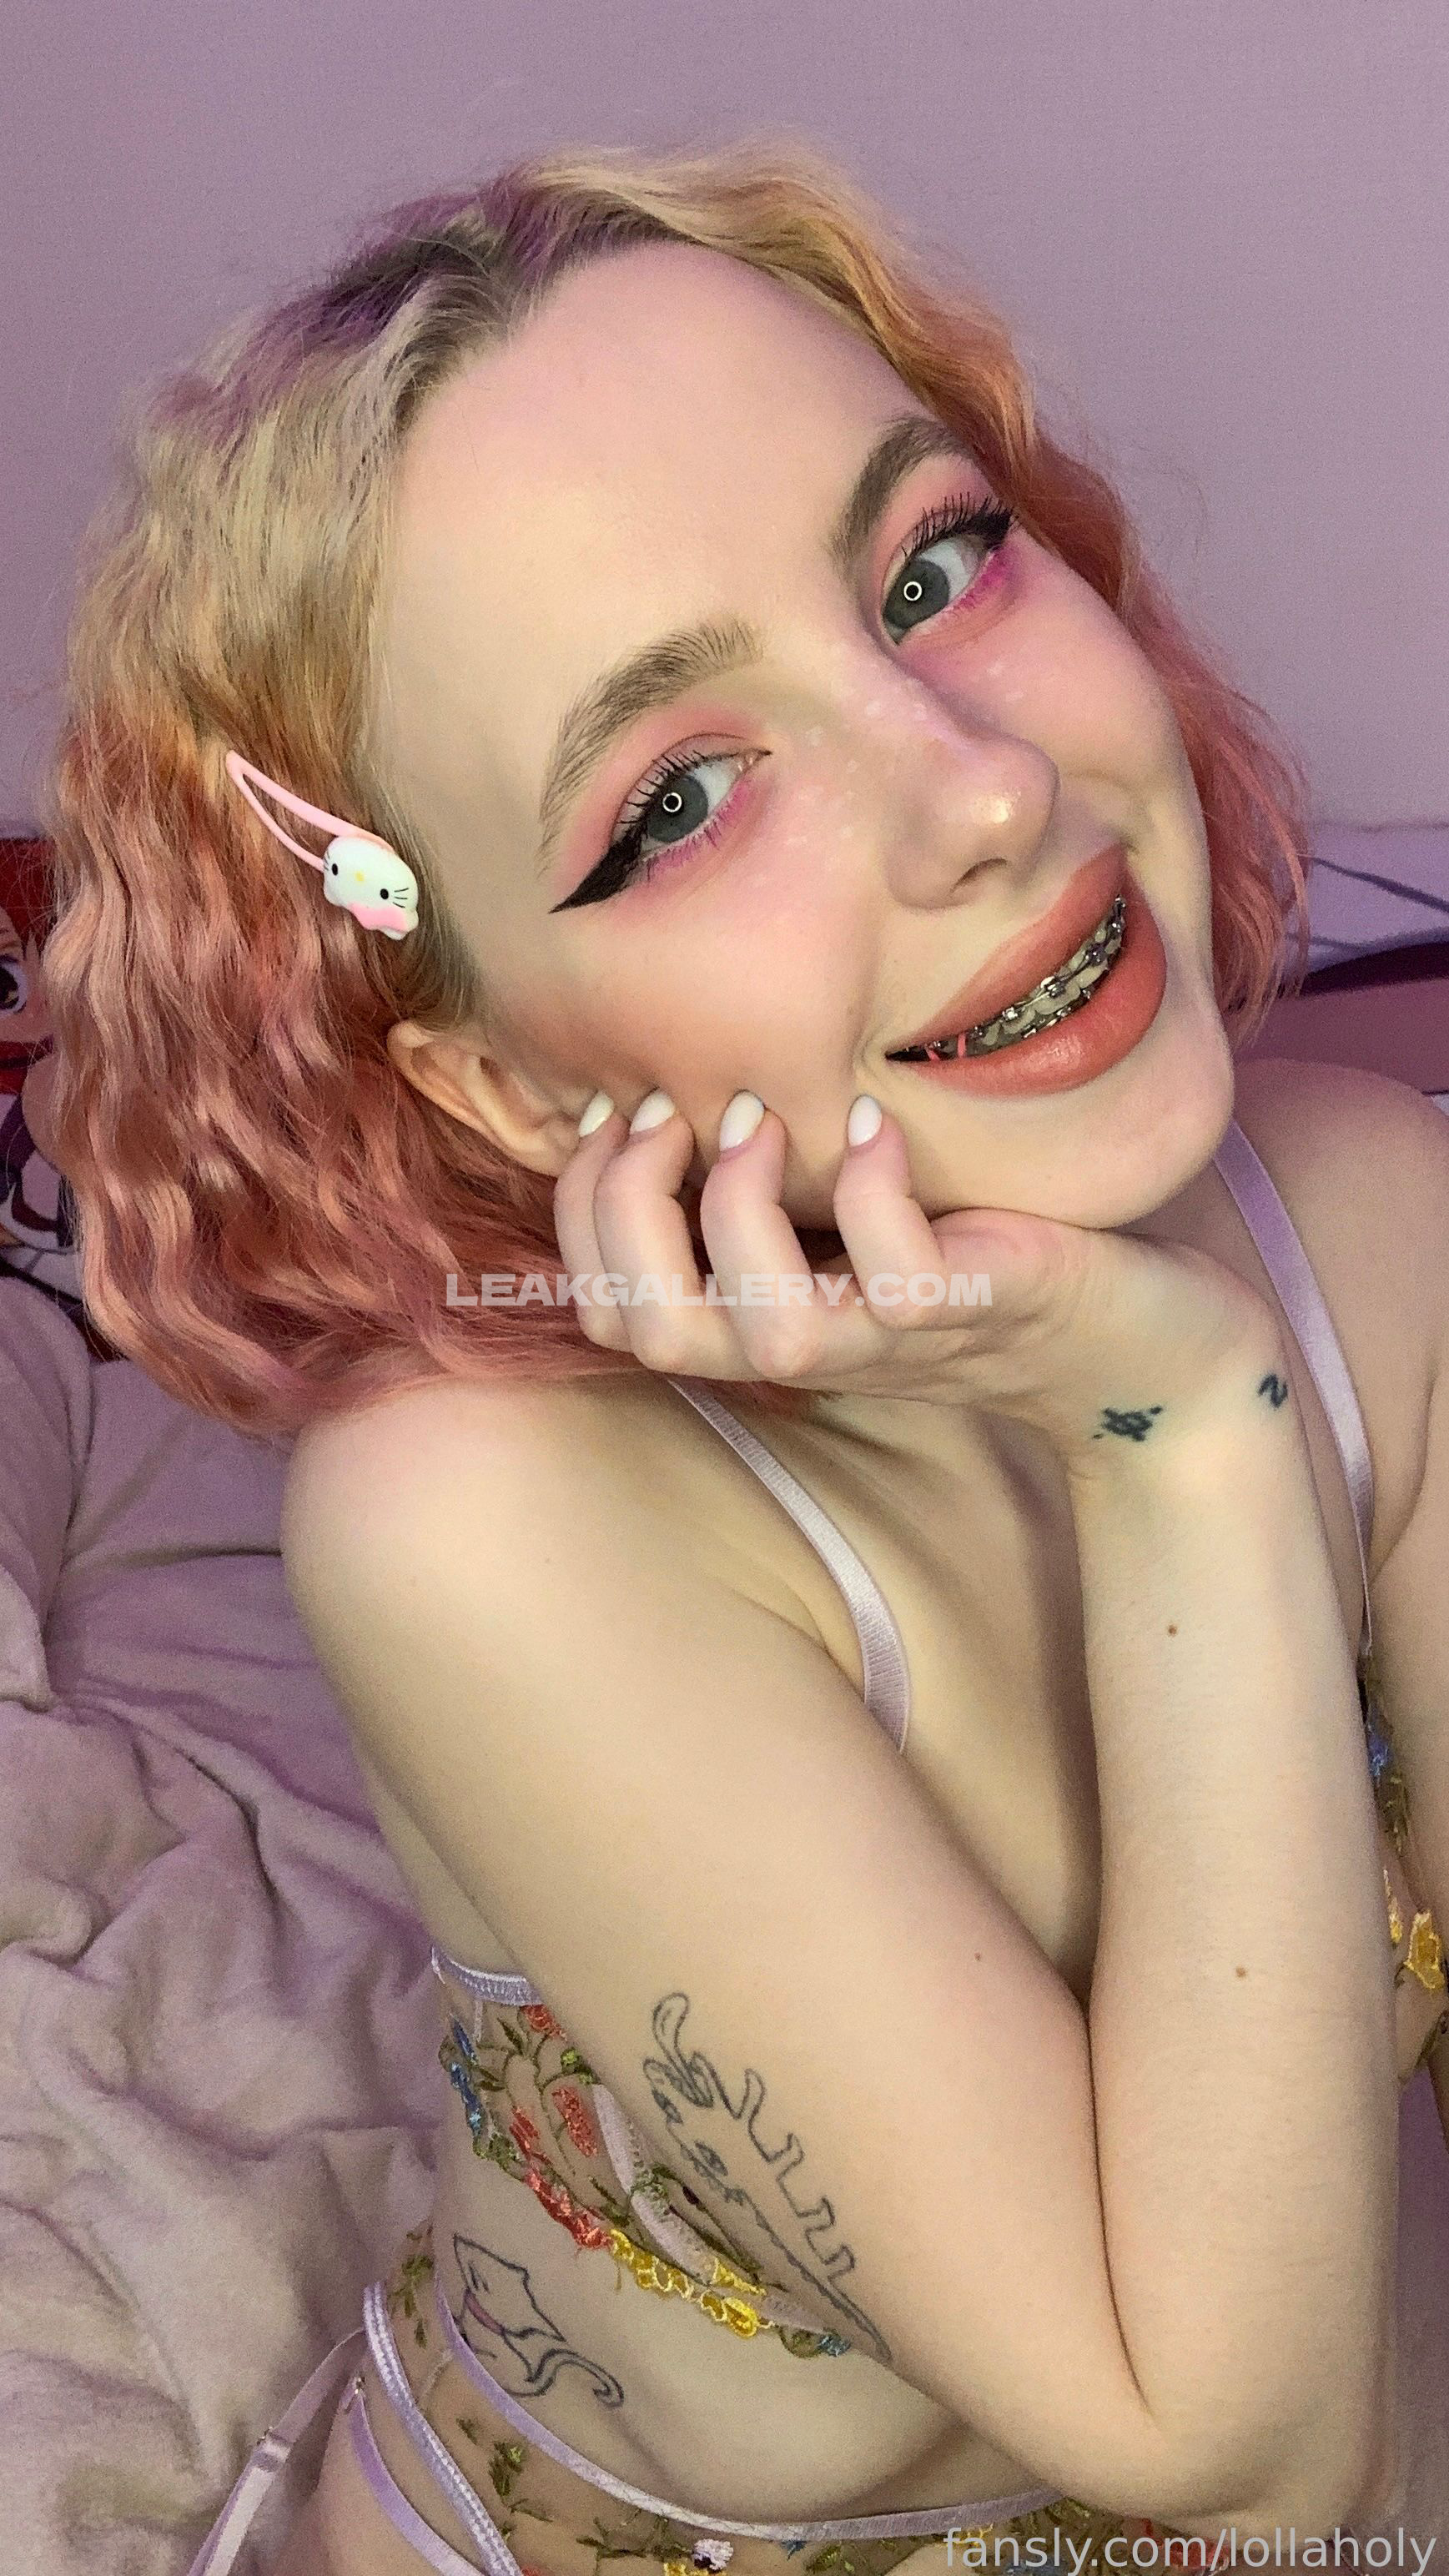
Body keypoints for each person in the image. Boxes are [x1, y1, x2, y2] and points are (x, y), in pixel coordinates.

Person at [40, 135, 1449, 2576]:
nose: (982, 789)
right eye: (678, 798)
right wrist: (1174, 1432)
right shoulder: (478, 1519)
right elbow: (1234, 2439)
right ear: (508, 1083)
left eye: (935, 566)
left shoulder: (1381, 1215)